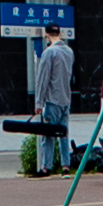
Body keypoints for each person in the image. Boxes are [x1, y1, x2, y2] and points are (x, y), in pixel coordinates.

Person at [29, 23, 77, 175]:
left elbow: (43, 79)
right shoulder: (69, 52)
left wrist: (38, 103)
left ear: (47, 35)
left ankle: (46, 167)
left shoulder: (49, 52)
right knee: (64, 133)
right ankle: (66, 166)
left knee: (48, 135)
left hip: (52, 100)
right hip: (66, 99)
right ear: (60, 34)